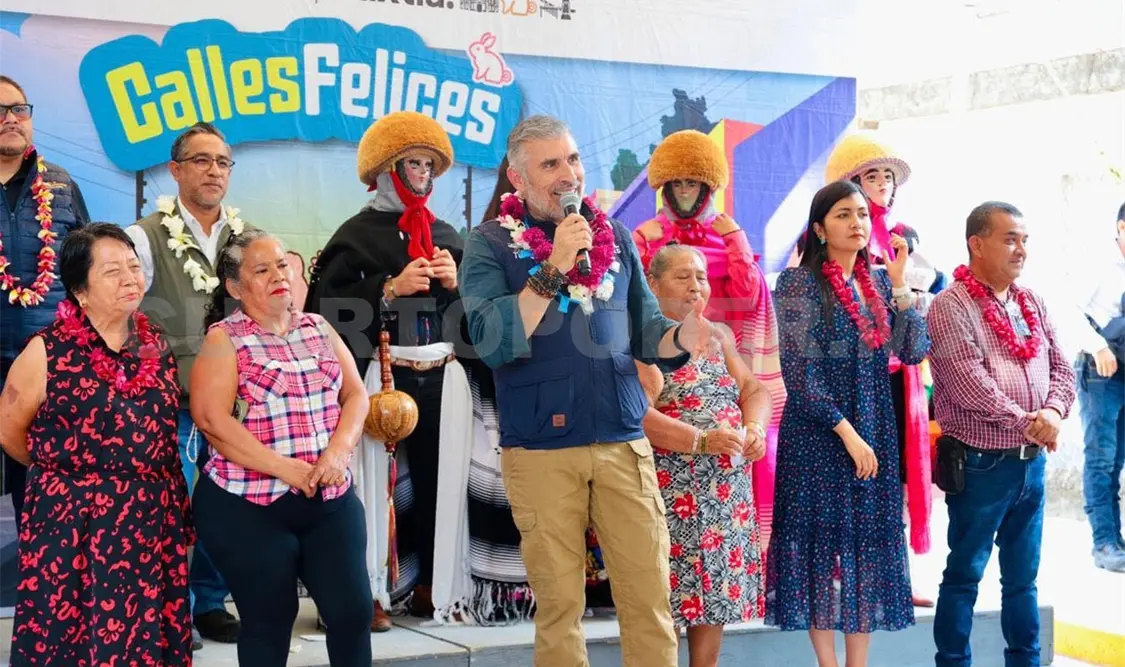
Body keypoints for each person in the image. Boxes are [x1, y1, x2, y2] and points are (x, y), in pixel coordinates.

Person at [459, 114, 716, 667]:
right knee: (560, 610)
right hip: (541, 450)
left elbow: (646, 330)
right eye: (550, 164)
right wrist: (553, 266)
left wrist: (681, 336)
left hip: (623, 439)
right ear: (518, 177)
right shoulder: (487, 244)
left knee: (650, 602)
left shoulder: (615, 236)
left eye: (573, 159)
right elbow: (492, 342)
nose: (568, 174)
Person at [304, 110, 469, 630]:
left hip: (442, 376)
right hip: (381, 375)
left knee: (441, 480)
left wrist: (458, 284)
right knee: (376, 484)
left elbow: (477, 322)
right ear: (386, 170)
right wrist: (387, 289)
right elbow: (322, 313)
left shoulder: (448, 235)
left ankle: (431, 583)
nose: (422, 174)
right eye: (412, 163)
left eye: (428, 165)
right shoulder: (353, 236)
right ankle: (372, 588)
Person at [0, 224, 192, 665]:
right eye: (111, 271)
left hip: (149, 520)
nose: (129, 279)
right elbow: (10, 431)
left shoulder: (156, 343)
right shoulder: (46, 352)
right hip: (74, 525)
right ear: (79, 290)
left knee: (145, 638)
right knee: (71, 638)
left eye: (133, 266)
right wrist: (71, 477)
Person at [190, 230, 373, 666]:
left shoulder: (318, 327)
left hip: (327, 496)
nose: (278, 275)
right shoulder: (223, 339)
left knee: (352, 613)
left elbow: (355, 395)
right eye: (261, 269)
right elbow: (211, 420)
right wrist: (285, 468)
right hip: (248, 504)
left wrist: (338, 452)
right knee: (269, 621)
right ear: (235, 288)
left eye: (282, 265)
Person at [766, 180, 928, 667]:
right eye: (843, 214)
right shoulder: (798, 284)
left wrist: (901, 285)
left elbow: (913, 350)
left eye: (861, 214)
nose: (856, 222)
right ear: (819, 229)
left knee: (865, 554)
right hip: (820, 436)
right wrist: (847, 434)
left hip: (874, 430)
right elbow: (801, 375)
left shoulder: (878, 281)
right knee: (821, 555)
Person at [928, 202, 1076, 667]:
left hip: (1032, 464)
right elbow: (969, 384)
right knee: (964, 577)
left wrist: (1053, 412)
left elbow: (1062, 368)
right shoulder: (950, 306)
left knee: (1023, 582)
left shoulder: (1031, 301)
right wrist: (1031, 422)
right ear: (977, 244)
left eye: (1025, 240)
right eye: (1010, 239)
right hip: (981, 465)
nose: (1021, 250)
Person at [633, 129, 786, 556]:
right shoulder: (647, 235)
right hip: (661, 358)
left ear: (708, 188)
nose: (684, 192)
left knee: (755, 463)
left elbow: (749, 297)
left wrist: (735, 238)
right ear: (665, 187)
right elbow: (633, 296)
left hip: (723, 356)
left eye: (693, 183)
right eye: (677, 183)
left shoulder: (726, 232)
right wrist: (641, 242)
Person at [123, 121, 243, 645]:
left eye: (222, 162)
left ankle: (210, 603)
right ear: (175, 170)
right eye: (201, 160)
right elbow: (122, 318)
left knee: (224, 507)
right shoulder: (142, 238)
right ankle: (171, 608)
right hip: (166, 406)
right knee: (166, 510)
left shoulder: (246, 238)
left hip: (232, 408)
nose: (214, 171)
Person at [638, 243, 771, 667]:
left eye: (701, 277)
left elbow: (754, 390)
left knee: (713, 599)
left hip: (724, 496)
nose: (696, 286)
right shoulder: (644, 341)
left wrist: (754, 429)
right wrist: (701, 440)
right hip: (673, 492)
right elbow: (637, 415)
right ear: (652, 284)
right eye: (683, 277)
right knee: (668, 599)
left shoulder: (718, 336)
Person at [824, 134, 936, 606]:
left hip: (896, 376)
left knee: (897, 476)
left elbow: (922, 311)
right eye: (872, 175)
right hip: (846, 379)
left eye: (888, 176)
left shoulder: (902, 238)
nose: (883, 183)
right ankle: (840, 572)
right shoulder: (824, 243)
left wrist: (904, 288)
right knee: (846, 474)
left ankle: (894, 576)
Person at [0, 75, 89, 530]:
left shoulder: (61, 184)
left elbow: (86, 269)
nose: (11, 119)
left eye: (19, 109)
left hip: (47, 364)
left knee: (40, 493)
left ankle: (38, 574)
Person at [1071, 201, 1125, 572]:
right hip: (1100, 370)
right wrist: (1098, 346)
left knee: (1117, 459)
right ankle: (1104, 543)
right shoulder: (1099, 262)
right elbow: (1066, 308)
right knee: (1102, 458)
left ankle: (1115, 541)